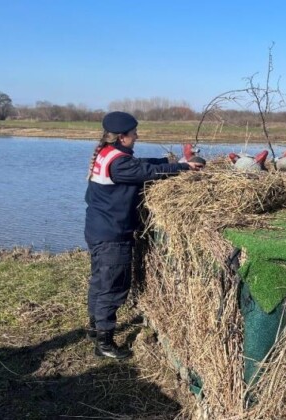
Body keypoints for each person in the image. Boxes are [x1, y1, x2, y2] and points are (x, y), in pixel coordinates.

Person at [84, 111, 203, 359]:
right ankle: (104, 344)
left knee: (99, 280)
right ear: (122, 137)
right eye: (134, 132)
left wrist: (167, 160)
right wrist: (182, 167)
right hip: (113, 234)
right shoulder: (119, 163)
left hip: (98, 229)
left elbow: (142, 165)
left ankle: (95, 328)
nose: (137, 136)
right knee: (113, 287)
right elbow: (147, 173)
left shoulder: (109, 154)